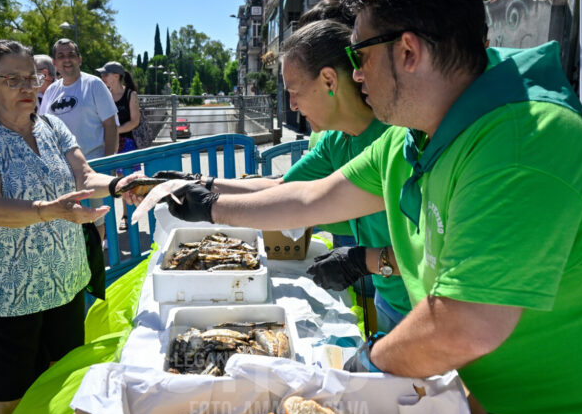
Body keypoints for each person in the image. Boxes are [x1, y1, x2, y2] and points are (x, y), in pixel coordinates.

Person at [154, 0, 582, 414]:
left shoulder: (524, 144)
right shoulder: (413, 136)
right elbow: (310, 198)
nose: (355, 74)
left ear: (408, 52)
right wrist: (209, 205)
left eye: (360, 55)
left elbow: (465, 325)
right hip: (475, 410)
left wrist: (369, 363)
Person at [150, 20, 411, 330]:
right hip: (389, 296)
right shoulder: (337, 139)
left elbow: (433, 252)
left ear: (329, 80)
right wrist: (201, 184)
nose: (293, 106)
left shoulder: (398, 140)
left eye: (295, 92)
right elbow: (285, 189)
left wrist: (211, 206)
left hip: (421, 305)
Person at [0, 39, 128, 414]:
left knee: (61, 382)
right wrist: (51, 210)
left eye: (32, 78)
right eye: (13, 79)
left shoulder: (51, 127)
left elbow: (85, 177)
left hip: (63, 282)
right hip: (4, 293)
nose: (28, 87)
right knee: (6, 396)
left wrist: (121, 186)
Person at [39, 39, 119, 242]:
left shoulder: (94, 84)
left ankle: (96, 257)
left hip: (91, 167)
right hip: (60, 170)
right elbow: (41, 128)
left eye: (71, 55)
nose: (67, 60)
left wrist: (108, 163)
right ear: (54, 63)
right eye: (61, 56)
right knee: (66, 220)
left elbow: (111, 126)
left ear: (79, 59)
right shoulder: (51, 91)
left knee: (95, 221)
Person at [98, 61, 142, 231]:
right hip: (107, 143)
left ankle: (127, 216)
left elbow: (134, 121)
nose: (102, 77)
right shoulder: (104, 95)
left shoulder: (130, 95)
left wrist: (115, 130)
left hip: (126, 144)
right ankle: (106, 221)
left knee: (126, 182)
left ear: (116, 76)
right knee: (107, 181)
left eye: (105, 74)